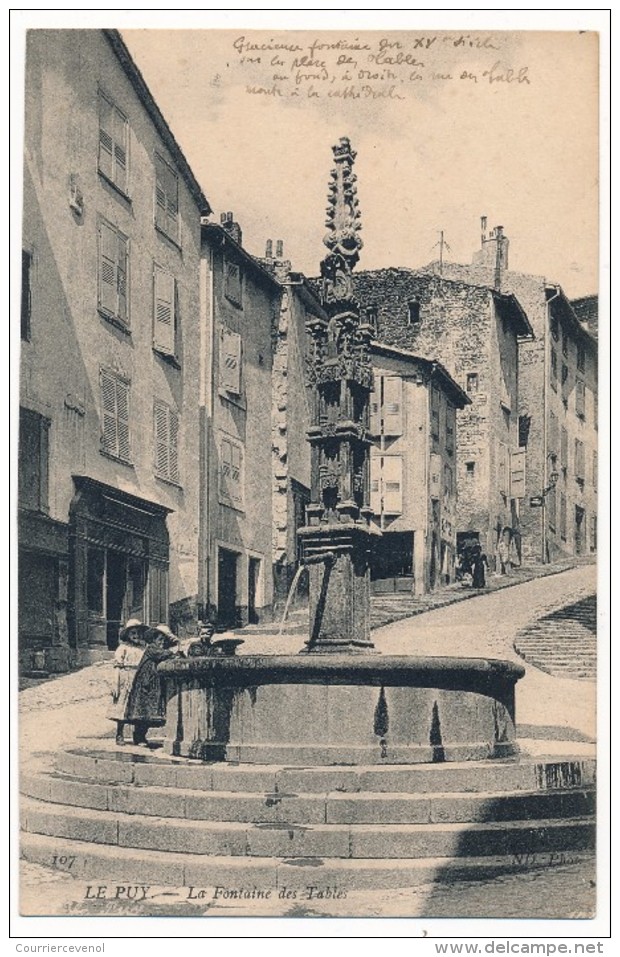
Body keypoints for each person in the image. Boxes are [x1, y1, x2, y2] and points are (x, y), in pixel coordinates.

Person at [124, 624, 180, 746]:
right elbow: (163, 654)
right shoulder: (151, 649)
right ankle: (139, 736)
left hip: (153, 684)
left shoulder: (158, 649)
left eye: (164, 640)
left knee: (149, 712)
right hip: (145, 684)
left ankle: (141, 735)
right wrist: (174, 650)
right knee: (142, 710)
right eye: (160, 639)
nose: (162, 642)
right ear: (153, 640)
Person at [108, 619, 147, 746]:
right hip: (126, 678)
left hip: (140, 678)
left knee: (139, 706)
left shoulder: (143, 648)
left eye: (139, 633)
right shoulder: (123, 648)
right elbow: (117, 667)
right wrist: (115, 683)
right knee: (123, 706)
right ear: (128, 635)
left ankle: (139, 735)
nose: (136, 636)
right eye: (133, 633)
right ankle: (119, 734)